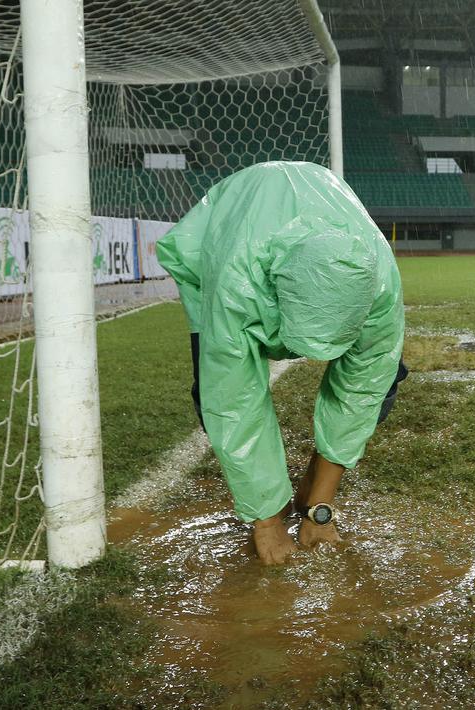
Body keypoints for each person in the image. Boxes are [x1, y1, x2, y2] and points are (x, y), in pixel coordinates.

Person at [156, 161, 407, 565]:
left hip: (309, 229)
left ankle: (313, 484)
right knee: (214, 385)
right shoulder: (237, 287)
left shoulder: (380, 288)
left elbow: (363, 390)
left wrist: (320, 509)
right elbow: (234, 400)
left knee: (385, 377)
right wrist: (267, 522)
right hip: (224, 246)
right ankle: (269, 504)